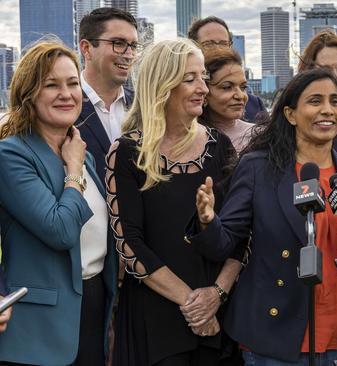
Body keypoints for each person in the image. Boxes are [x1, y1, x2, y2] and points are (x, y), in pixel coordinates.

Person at [185, 68, 337, 365]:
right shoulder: (259, 168)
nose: (328, 110)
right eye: (315, 101)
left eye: (335, 101)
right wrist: (208, 221)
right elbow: (225, 244)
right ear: (290, 114)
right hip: (277, 337)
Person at [106, 38, 239, 366]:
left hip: (219, 316)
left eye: (203, 77)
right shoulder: (125, 153)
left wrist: (216, 295)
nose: (203, 88)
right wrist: (193, 304)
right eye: (190, 78)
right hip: (154, 320)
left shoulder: (220, 147)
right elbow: (129, 244)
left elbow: (243, 234)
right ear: (162, 84)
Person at [0, 41, 118, 365]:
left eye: (72, 83)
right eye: (52, 84)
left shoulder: (81, 154)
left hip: (93, 310)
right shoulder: (12, 155)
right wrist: (75, 169)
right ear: (28, 94)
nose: (66, 93)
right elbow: (61, 231)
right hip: (39, 328)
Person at [76, 7, 138, 183]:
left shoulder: (143, 106)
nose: (129, 54)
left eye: (133, 45)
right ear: (86, 48)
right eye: (118, 43)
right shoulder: (63, 106)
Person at [188, 16, 267, 123]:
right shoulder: (186, 102)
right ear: (193, 47)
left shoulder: (253, 105)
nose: (218, 49)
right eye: (208, 44)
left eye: (223, 44)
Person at [199, 47, 254, 154]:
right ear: (204, 90)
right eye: (227, 87)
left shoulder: (260, 136)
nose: (240, 96)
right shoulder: (188, 140)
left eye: (243, 87)